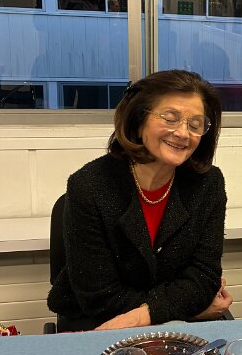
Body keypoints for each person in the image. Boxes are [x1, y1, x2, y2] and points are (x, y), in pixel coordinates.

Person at [48, 69, 232, 331]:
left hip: (172, 322)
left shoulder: (208, 183)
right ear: (138, 120)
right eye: (170, 118)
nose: (183, 133)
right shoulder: (89, 186)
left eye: (195, 125)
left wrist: (149, 315)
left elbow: (204, 277)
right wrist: (188, 310)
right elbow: (99, 297)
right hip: (100, 323)